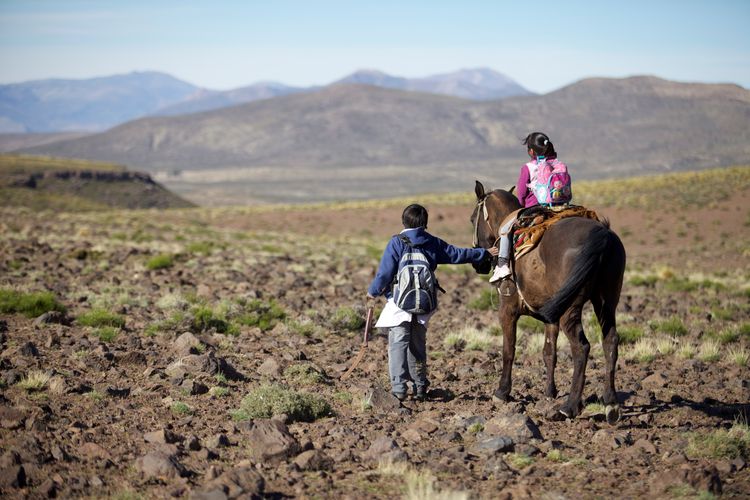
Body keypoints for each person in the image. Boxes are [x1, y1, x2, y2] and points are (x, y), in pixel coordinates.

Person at [367, 204, 498, 401]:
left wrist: (373, 292)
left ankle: (399, 388)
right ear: (425, 223)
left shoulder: (396, 243)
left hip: (399, 305)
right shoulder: (432, 242)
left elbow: (384, 274)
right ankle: (420, 387)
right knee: (418, 347)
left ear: (404, 221)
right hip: (424, 305)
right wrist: (485, 253)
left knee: (398, 345)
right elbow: (457, 254)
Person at [489, 131, 564, 283]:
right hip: (560, 207)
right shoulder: (558, 164)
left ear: (531, 151)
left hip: (535, 208)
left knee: (504, 229)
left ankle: (503, 265)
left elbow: (521, 192)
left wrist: (522, 205)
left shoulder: (528, 168)